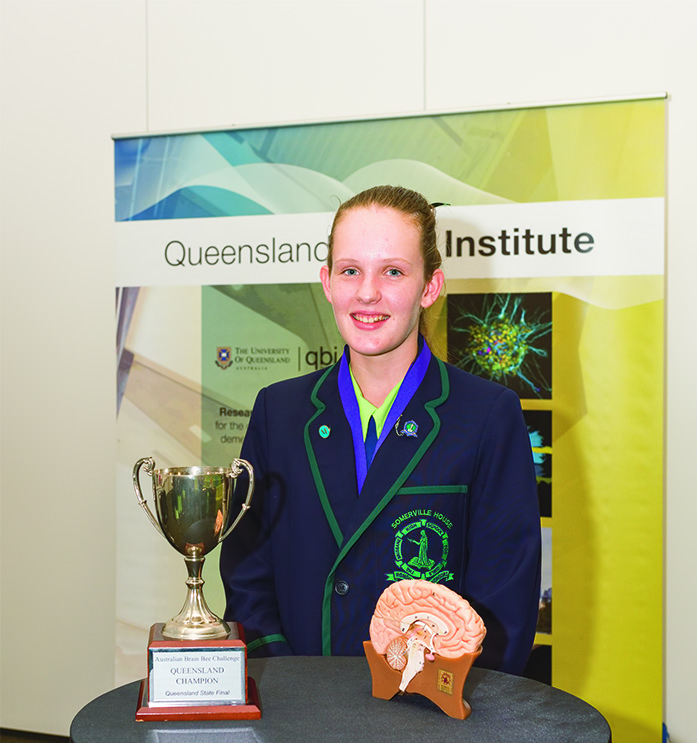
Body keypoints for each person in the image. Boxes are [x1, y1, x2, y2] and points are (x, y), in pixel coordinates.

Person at [220, 185, 541, 674]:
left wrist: (433, 700)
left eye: (393, 271)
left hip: (429, 725)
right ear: (327, 282)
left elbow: (505, 604)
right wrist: (289, 685)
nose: (367, 293)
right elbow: (247, 575)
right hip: (300, 710)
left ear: (429, 287)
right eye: (351, 271)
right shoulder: (278, 412)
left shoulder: (487, 416)